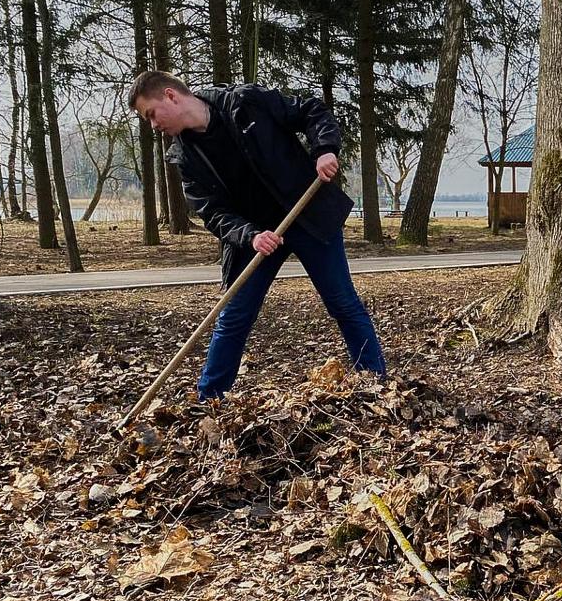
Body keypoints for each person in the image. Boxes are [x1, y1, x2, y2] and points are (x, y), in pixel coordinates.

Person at [127, 71, 386, 401]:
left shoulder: (245, 102)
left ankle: (375, 383)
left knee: (343, 304)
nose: (153, 126)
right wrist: (249, 235)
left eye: (150, 114)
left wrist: (325, 148)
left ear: (171, 96)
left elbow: (310, 110)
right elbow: (212, 211)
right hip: (255, 237)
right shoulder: (185, 158)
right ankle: (210, 399)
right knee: (234, 317)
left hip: (306, 215)